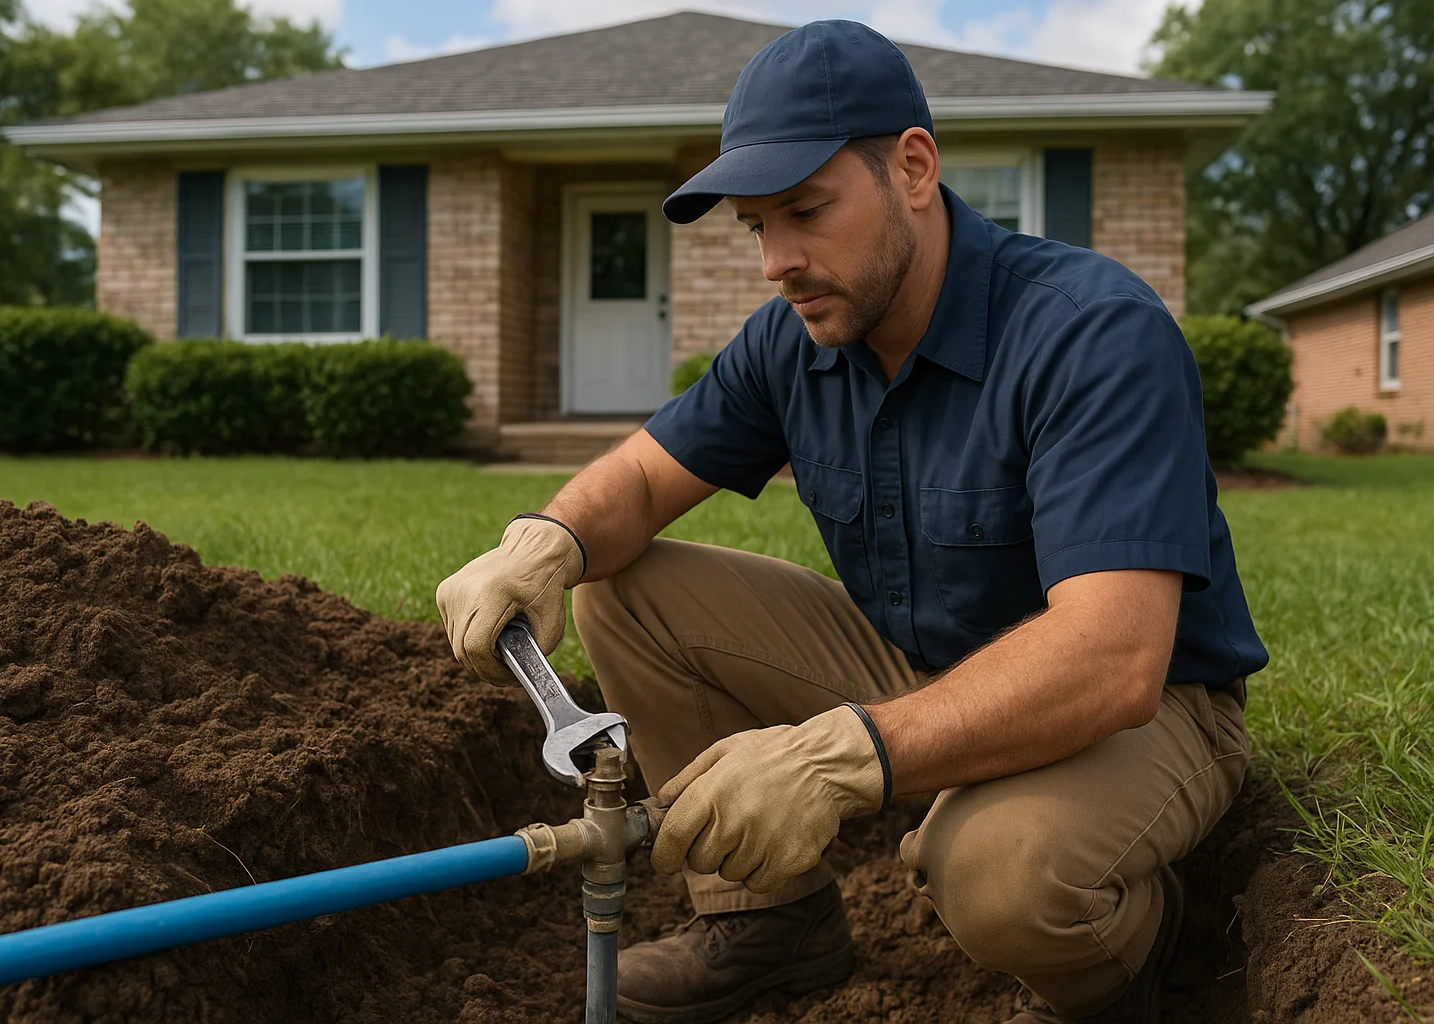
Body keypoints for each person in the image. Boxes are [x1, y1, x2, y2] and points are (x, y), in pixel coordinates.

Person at [435, 19, 1266, 1024]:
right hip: (923, 665)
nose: (777, 261)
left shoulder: (1089, 333)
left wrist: (835, 756)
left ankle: (1120, 967)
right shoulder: (798, 338)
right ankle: (770, 922)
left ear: (912, 168)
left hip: (1152, 706)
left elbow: (1113, 658)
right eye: (756, 226)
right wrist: (547, 541)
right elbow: (643, 482)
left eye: (806, 210)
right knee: (622, 588)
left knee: (996, 872)